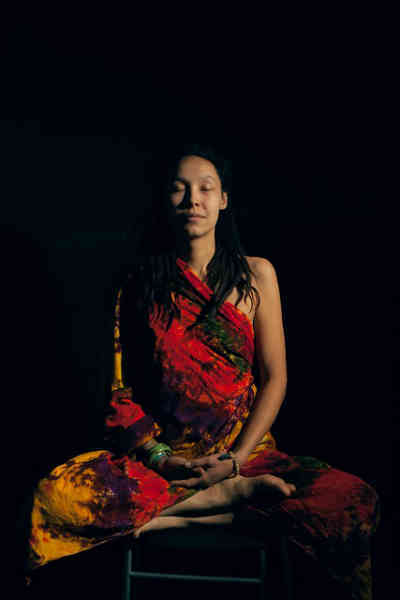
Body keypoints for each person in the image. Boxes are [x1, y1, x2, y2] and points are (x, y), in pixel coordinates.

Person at [25, 144, 380, 599]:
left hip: (246, 457)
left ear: (223, 200)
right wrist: (160, 458)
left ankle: (196, 507)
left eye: (205, 189)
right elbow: (119, 389)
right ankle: (222, 502)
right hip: (162, 462)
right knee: (53, 497)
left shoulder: (256, 276)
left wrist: (234, 461)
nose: (193, 199)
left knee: (353, 501)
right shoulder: (138, 282)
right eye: (180, 189)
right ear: (164, 201)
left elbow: (276, 379)